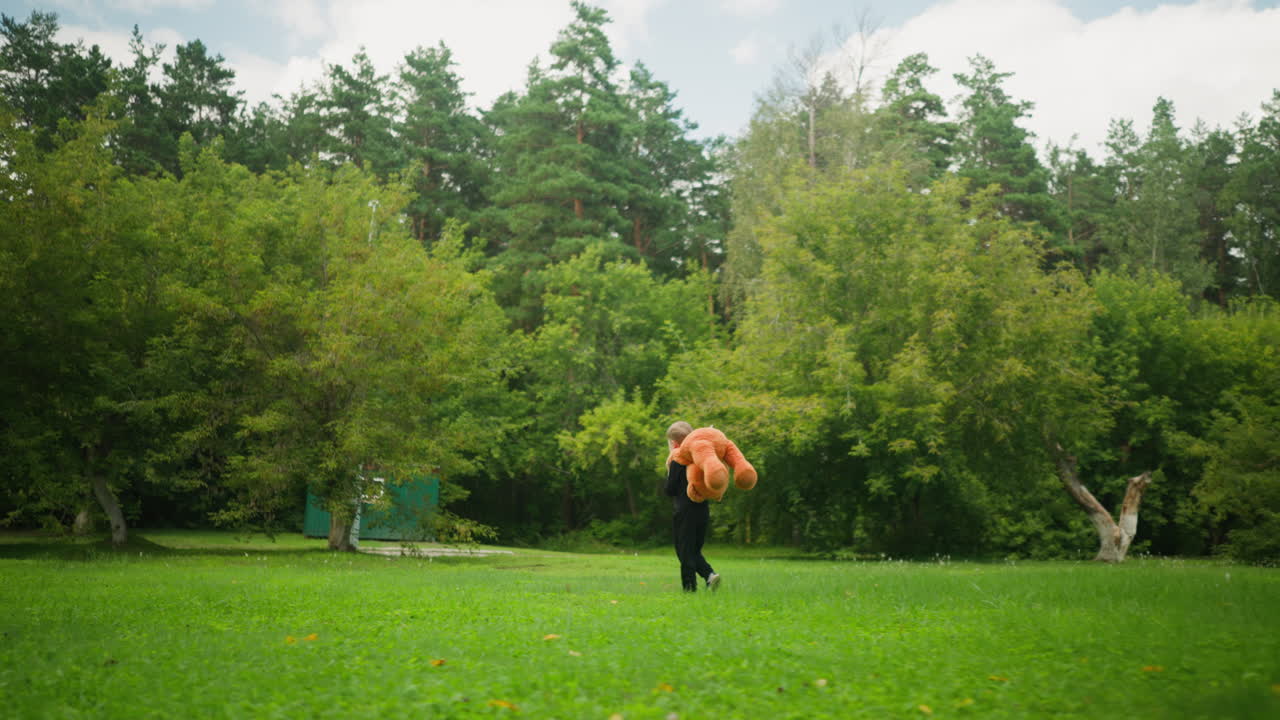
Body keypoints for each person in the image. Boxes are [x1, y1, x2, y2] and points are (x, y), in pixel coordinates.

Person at [664, 420, 721, 592]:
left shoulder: (677, 459)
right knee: (694, 550)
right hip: (702, 509)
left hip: (684, 511)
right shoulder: (701, 458)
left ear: (674, 443)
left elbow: (670, 490)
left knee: (684, 551)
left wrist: (669, 472)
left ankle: (690, 589)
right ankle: (710, 576)